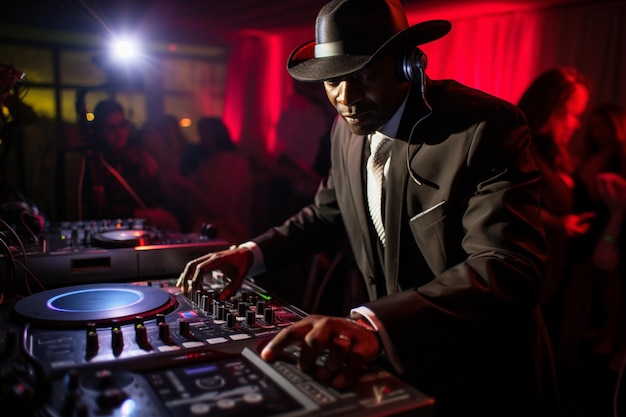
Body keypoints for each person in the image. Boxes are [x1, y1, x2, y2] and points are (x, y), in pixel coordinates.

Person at [178, 1, 557, 416]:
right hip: (401, 363)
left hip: (483, 376)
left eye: (362, 76)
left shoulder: (484, 127)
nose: (345, 98)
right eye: (332, 81)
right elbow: (325, 213)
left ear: (409, 65)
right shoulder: (347, 132)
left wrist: (374, 324)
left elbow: (508, 266)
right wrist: (249, 254)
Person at [516, 67, 595, 358]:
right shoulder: (520, 145)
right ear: (549, 109)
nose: (575, 125)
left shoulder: (552, 152)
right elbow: (510, 203)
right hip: (532, 278)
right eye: (571, 114)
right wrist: (558, 222)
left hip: (552, 273)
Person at [81, 99, 179, 231]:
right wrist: (147, 214)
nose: (118, 133)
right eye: (111, 128)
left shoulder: (137, 155)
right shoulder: (94, 163)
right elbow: (102, 209)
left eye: (122, 125)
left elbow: (154, 198)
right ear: (99, 130)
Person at [181, 117, 253, 243]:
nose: (201, 140)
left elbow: (221, 209)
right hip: (207, 232)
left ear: (216, 135)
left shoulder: (233, 163)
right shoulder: (208, 162)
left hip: (226, 234)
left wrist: (189, 186)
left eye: (204, 135)